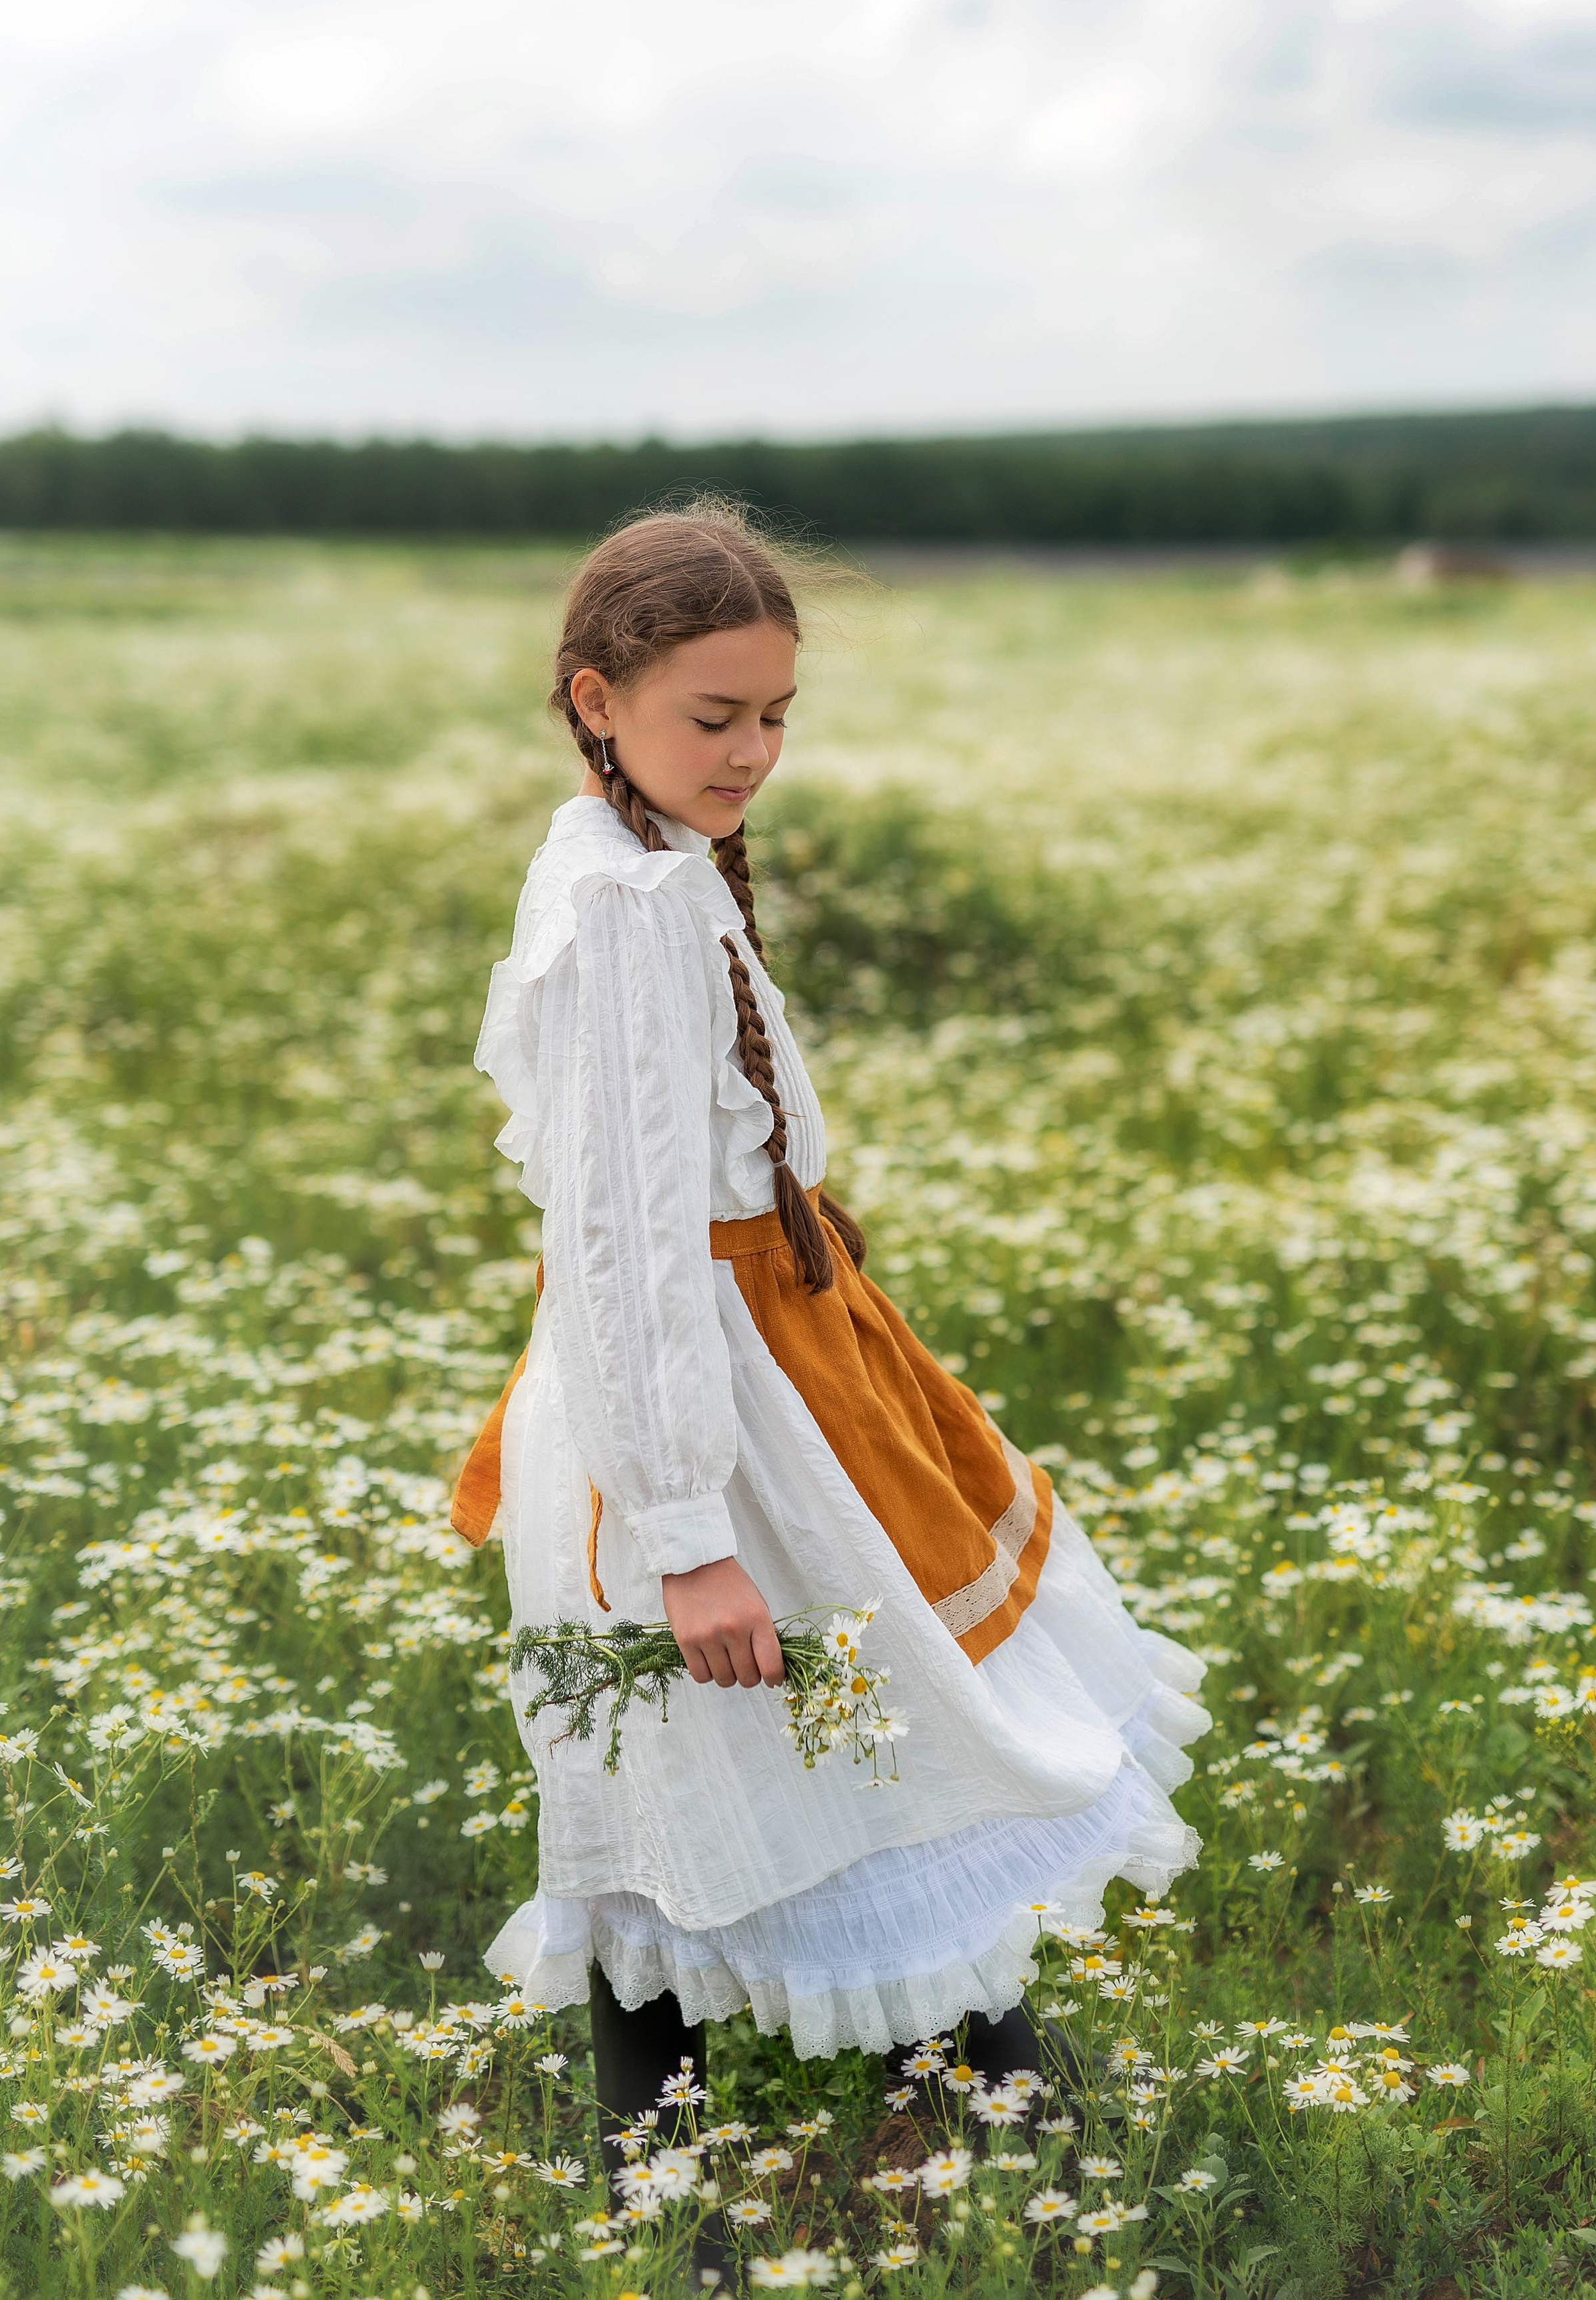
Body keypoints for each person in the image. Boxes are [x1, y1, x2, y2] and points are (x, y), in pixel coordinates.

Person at [450, 501, 1208, 2175]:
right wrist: (681, 1535)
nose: (752, 752)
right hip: (694, 1408)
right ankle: (725, 2167)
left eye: (773, 713)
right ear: (597, 699)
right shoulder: (622, 911)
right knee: (771, 1730)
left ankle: (940, 2108)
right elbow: (621, 1244)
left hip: (770, 1364)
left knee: (833, 1720)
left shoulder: (635, 859)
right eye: (710, 717)